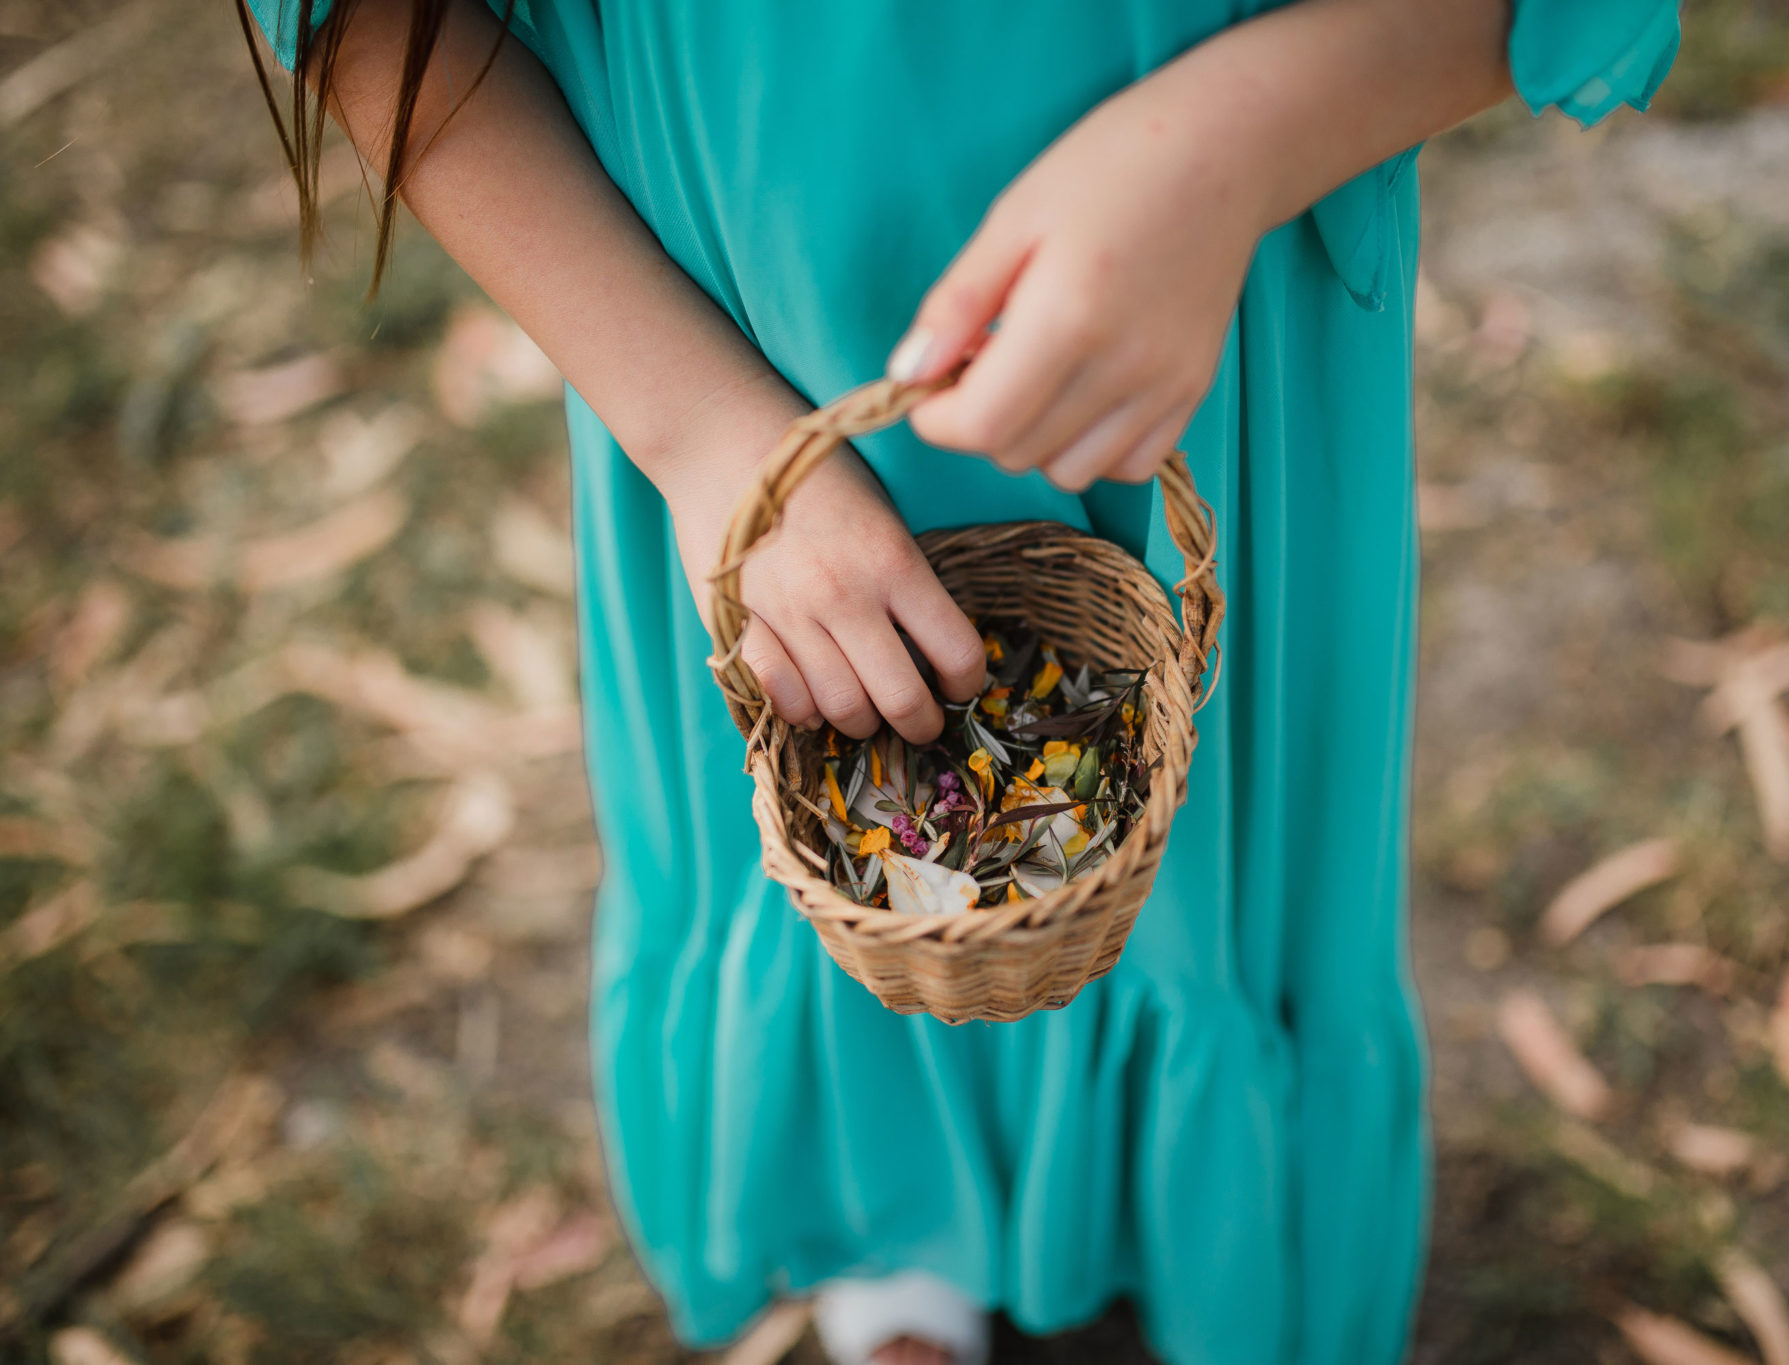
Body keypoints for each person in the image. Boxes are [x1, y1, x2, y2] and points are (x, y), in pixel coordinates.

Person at [237, 2, 1680, 1361]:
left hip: (1200, 302)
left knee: (1196, 847)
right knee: (827, 812)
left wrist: (1232, 144)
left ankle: (1205, 1244)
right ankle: (893, 1247)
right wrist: (697, 433)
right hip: (727, 338)